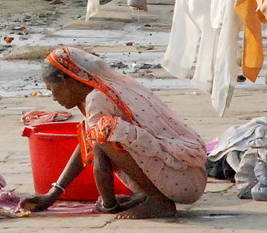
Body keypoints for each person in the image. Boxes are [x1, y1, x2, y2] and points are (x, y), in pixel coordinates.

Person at [19, 47, 208, 219]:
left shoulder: (97, 99)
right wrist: (54, 194)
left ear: (65, 80)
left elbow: (100, 155)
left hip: (180, 179)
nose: (53, 97)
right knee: (100, 132)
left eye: (52, 89)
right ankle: (148, 196)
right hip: (187, 175)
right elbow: (87, 145)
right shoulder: (104, 92)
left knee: (104, 131)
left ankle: (158, 201)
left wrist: (108, 204)